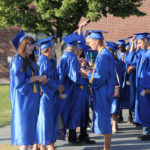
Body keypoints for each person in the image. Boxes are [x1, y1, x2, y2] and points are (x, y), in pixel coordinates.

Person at [10, 30, 46, 150]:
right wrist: (37, 77)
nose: (32, 46)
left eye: (32, 44)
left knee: (31, 135)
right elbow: (19, 83)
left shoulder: (30, 60)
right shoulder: (18, 60)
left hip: (32, 100)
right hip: (23, 102)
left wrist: (41, 79)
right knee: (24, 138)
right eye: (29, 44)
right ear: (22, 46)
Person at [80, 30, 115, 150]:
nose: (89, 45)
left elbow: (100, 76)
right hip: (103, 90)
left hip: (103, 91)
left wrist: (86, 74)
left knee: (104, 118)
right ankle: (106, 147)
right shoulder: (102, 54)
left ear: (96, 40)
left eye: (90, 42)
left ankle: (107, 148)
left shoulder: (104, 55)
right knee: (104, 117)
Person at [35, 37, 65, 150]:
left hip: (51, 96)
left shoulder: (49, 61)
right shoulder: (43, 62)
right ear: (48, 49)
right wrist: (57, 86)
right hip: (46, 97)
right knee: (46, 124)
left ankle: (46, 146)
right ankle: (48, 146)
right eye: (51, 48)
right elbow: (43, 80)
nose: (53, 50)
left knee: (48, 123)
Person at [57, 33, 86, 145]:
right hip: (71, 89)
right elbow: (74, 76)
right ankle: (73, 138)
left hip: (65, 87)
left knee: (68, 112)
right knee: (73, 112)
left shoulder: (64, 56)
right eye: (76, 47)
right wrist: (84, 76)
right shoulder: (71, 58)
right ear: (74, 46)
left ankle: (71, 136)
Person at [133, 32, 150, 140]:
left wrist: (148, 87)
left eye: (139, 43)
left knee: (147, 107)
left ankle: (147, 132)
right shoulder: (145, 53)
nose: (139, 46)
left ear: (145, 40)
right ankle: (146, 131)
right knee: (144, 107)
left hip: (146, 87)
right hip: (142, 86)